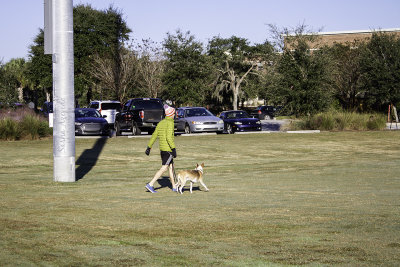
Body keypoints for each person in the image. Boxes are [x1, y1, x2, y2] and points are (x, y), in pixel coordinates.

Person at [144, 105, 177, 193]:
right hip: (168, 149)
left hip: (162, 149)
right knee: (164, 168)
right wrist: (173, 149)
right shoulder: (170, 123)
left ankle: (174, 186)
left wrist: (149, 147)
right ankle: (150, 184)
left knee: (171, 167)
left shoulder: (161, 122)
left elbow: (154, 135)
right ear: (170, 114)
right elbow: (169, 137)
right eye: (173, 113)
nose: (174, 115)